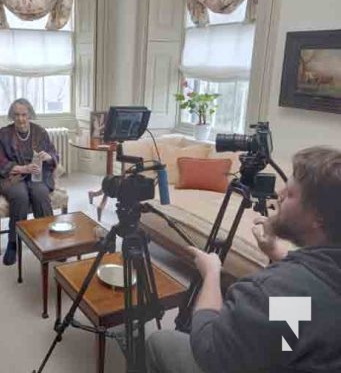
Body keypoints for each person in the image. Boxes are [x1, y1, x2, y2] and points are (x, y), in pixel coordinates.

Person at [146, 146, 341, 373]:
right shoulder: (304, 289)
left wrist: (211, 274)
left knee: (160, 340)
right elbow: (311, 296)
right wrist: (276, 254)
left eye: (290, 194)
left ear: (318, 218)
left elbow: (209, 346)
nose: (278, 195)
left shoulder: (269, 291)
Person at [0, 98, 58, 266]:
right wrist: (23, 169)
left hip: (37, 175)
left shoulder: (40, 132)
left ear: (30, 114)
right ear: (12, 116)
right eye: (16, 115)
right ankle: (13, 243)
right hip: (14, 176)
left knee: (40, 193)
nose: (20, 119)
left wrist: (48, 157)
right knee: (20, 196)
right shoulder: (4, 133)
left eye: (24, 114)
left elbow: (54, 154)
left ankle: (49, 239)